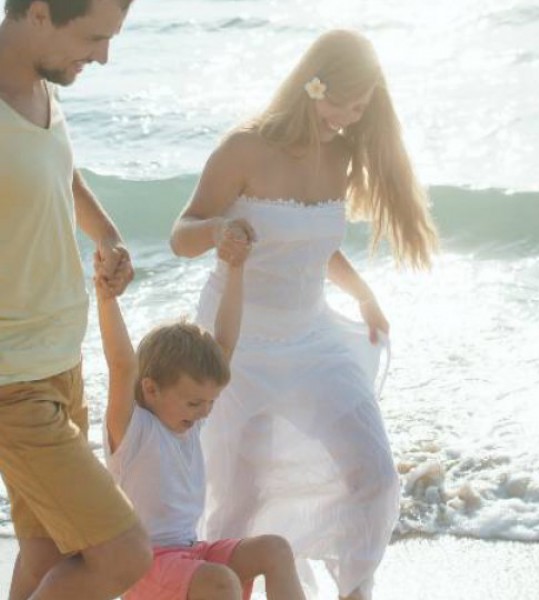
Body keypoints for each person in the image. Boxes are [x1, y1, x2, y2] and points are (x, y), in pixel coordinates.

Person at [169, 29, 439, 599]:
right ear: (309, 86)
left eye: (358, 108)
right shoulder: (244, 148)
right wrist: (220, 232)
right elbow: (180, 234)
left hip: (312, 337)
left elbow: (310, 241)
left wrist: (362, 292)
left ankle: (354, 591)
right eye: (335, 103)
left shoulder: (342, 155)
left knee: (374, 473)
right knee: (237, 498)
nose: (343, 118)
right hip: (237, 340)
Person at [0, 1, 152, 598]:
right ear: (39, 12)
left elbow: (62, 175)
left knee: (48, 551)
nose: (103, 55)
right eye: (93, 37)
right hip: (14, 382)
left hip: (62, 361)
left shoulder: (39, 86)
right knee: (122, 554)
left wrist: (108, 235)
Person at [96, 222, 307, 600]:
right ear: (151, 389)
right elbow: (120, 365)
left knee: (274, 549)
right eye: (196, 403)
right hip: (144, 565)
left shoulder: (186, 417)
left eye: (210, 402)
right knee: (220, 581)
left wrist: (236, 269)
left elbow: (224, 342)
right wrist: (107, 299)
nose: (205, 412)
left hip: (189, 552)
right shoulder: (132, 429)